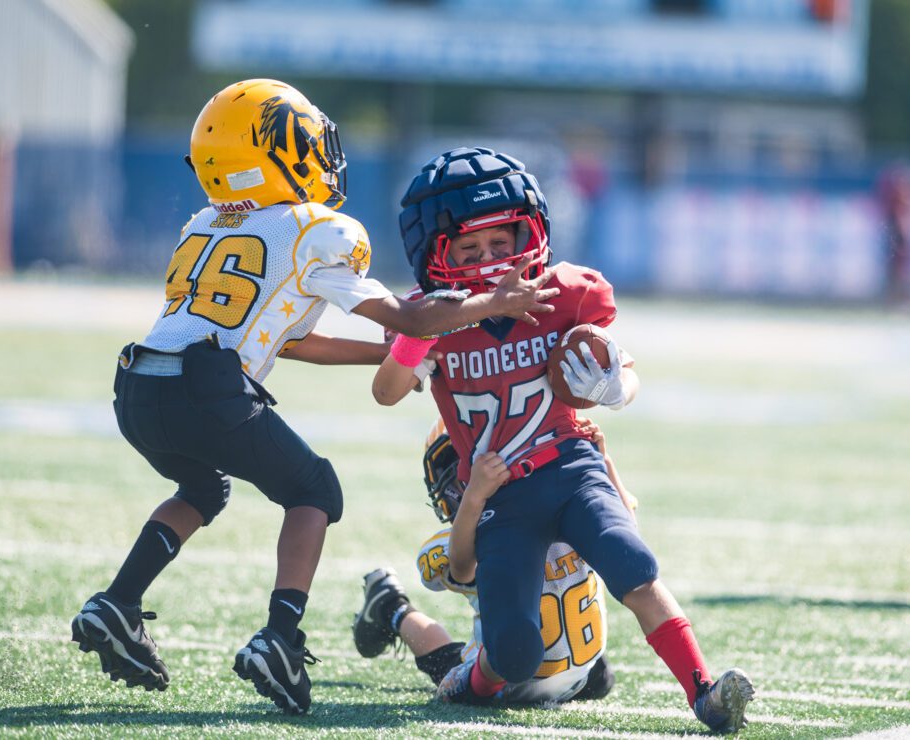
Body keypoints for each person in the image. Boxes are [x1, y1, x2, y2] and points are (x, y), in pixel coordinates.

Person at [69, 83, 558, 715]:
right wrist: (495, 301)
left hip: (138, 383)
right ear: (278, 154)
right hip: (204, 384)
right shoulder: (312, 230)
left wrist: (385, 357)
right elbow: (411, 317)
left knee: (203, 489)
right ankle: (280, 636)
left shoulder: (204, 226)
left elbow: (294, 342)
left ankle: (117, 603)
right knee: (315, 491)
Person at [372, 147, 755, 733]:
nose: (491, 260)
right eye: (470, 250)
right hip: (501, 494)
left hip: (571, 467)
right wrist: (422, 329)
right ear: (436, 254)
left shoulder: (566, 293)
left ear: (530, 231)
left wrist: (614, 388)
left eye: (500, 242)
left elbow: (625, 371)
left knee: (634, 564)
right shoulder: (434, 318)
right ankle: (469, 680)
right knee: (514, 651)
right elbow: (387, 391)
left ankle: (703, 692)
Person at [352, 418, 635, 704]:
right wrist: (475, 499)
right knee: (454, 676)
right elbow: (462, 569)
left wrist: (602, 463)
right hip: (498, 672)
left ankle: (390, 604)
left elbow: (624, 535)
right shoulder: (467, 540)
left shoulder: (577, 505)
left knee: (602, 679)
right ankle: (391, 606)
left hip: (578, 672)